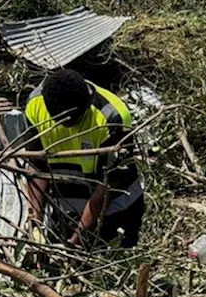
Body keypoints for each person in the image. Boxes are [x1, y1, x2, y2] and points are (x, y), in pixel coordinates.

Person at [24, 68, 144, 247]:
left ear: (87, 103)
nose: (67, 127)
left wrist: (75, 241)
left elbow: (107, 186)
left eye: (73, 121)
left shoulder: (112, 116)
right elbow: (37, 166)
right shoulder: (36, 106)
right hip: (67, 204)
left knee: (110, 258)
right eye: (60, 121)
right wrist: (36, 224)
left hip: (115, 206)